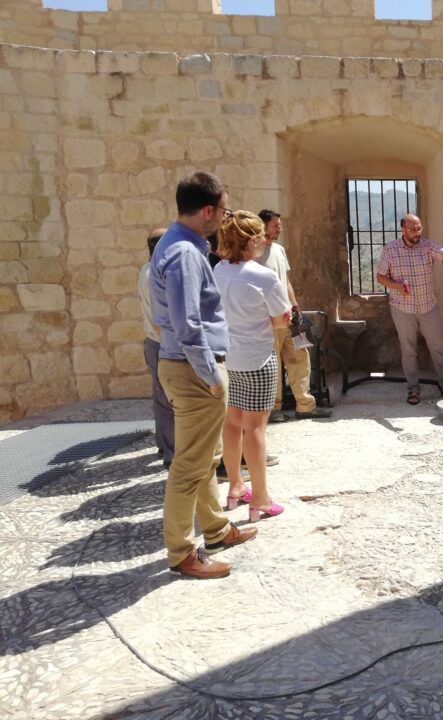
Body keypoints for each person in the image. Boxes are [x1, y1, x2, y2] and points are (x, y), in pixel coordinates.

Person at [151, 171, 257, 579]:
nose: (225, 219)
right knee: (189, 466)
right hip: (193, 371)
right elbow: (187, 322)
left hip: (187, 367)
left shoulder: (182, 245)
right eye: (224, 210)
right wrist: (211, 373)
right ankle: (181, 552)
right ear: (208, 210)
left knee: (204, 458)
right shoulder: (184, 254)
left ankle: (215, 529)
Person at [214, 211, 288, 522]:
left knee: (232, 423)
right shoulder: (262, 276)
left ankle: (235, 486)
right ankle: (260, 497)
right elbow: (281, 318)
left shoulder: (218, 270)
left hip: (228, 358)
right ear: (253, 240)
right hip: (258, 358)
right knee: (255, 428)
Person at [375, 213, 443, 405]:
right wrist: (397, 286)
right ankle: (413, 389)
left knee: (438, 347)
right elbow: (380, 277)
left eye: (419, 228)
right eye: (412, 229)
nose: (416, 232)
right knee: (408, 350)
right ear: (403, 230)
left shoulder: (428, 246)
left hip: (428, 306)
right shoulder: (390, 250)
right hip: (402, 308)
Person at [256, 209, 331, 422]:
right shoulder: (256, 253)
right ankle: (273, 408)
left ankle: (305, 405)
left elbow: (285, 280)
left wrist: (296, 306)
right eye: (275, 225)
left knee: (300, 356)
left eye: (280, 224)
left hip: (288, 314)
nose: (279, 228)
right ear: (263, 226)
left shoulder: (279, 250)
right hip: (269, 318)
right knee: (274, 363)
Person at [139, 228, 174, 467]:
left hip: (153, 342)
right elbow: (163, 319)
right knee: (173, 401)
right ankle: (174, 453)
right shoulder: (158, 275)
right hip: (164, 344)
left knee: (161, 399)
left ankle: (164, 446)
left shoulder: (146, 270)